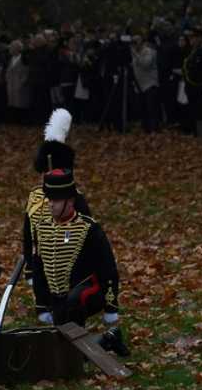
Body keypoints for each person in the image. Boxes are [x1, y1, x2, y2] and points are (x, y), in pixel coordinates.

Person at [30, 168, 127, 356]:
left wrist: (110, 306)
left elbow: (108, 268)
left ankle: (86, 344)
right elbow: (39, 270)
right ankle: (108, 339)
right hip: (58, 297)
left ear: (70, 200)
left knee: (75, 301)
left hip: (88, 292)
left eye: (56, 200)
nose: (51, 205)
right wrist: (42, 304)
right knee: (61, 347)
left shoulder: (89, 227)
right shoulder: (41, 229)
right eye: (49, 200)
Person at [23, 109, 92, 291]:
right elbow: (28, 236)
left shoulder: (75, 199)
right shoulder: (35, 198)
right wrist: (30, 267)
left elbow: (87, 232)